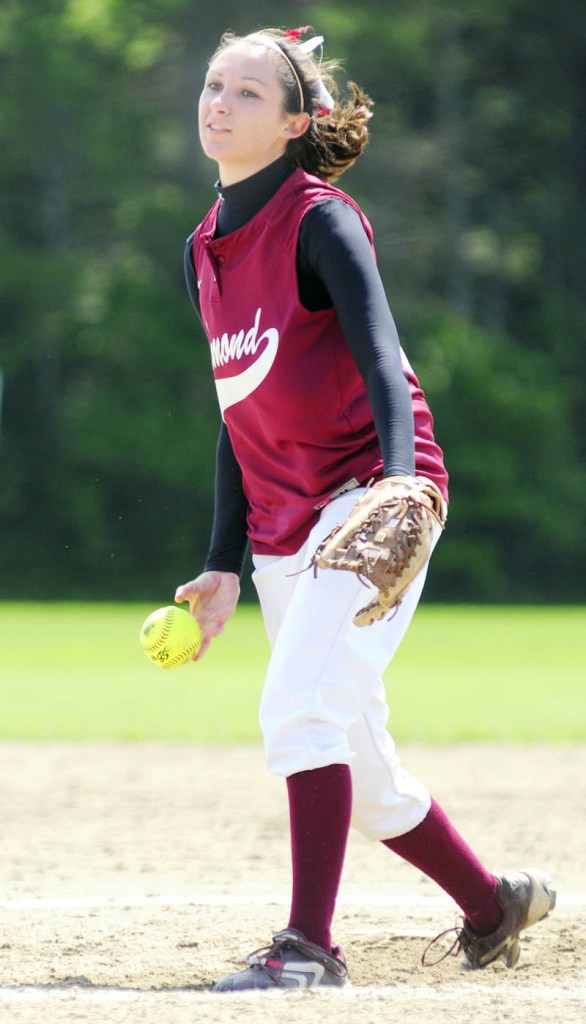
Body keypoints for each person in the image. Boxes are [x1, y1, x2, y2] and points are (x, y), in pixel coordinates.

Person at [175, 26, 555, 991]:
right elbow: (237, 413)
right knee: (360, 764)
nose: (220, 102)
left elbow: (383, 356)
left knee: (300, 708)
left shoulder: (320, 219)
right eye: (216, 84)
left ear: (298, 122)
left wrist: (396, 478)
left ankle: (309, 946)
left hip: (367, 502)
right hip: (280, 528)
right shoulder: (206, 248)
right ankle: (491, 903)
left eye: (250, 93)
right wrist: (223, 561)